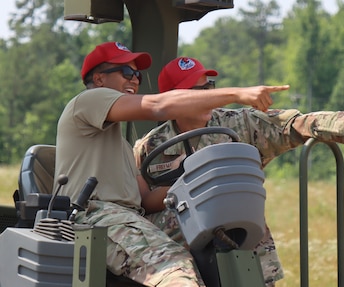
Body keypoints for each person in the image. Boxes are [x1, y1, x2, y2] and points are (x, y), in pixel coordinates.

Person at [133, 57, 344, 286]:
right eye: (197, 91)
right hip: (179, 267)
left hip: (243, 253)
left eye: (209, 88)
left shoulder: (240, 124)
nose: (208, 95)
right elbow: (139, 208)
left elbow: (293, 125)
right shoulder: (149, 148)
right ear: (174, 98)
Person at [55, 42, 289, 287]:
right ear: (99, 78)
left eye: (137, 75)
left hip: (131, 218)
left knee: (221, 221)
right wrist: (236, 94)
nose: (134, 80)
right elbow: (158, 106)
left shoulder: (118, 144)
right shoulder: (88, 100)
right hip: (96, 217)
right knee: (175, 270)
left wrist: (194, 181)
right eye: (126, 72)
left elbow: (145, 198)